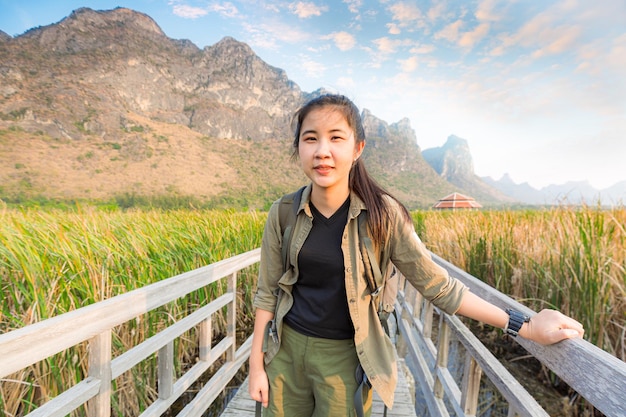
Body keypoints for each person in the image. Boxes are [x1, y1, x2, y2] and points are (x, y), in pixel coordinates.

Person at [248, 94, 584, 417]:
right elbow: (267, 293)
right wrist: (256, 366)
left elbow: (440, 287)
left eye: (336, 138)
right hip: (285, 355)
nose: (322, 151)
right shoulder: (284, 212)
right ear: (299, 148)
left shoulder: (383, 216)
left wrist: (525, 326)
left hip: (344, 360)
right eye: (310, 139)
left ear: (357, 149)